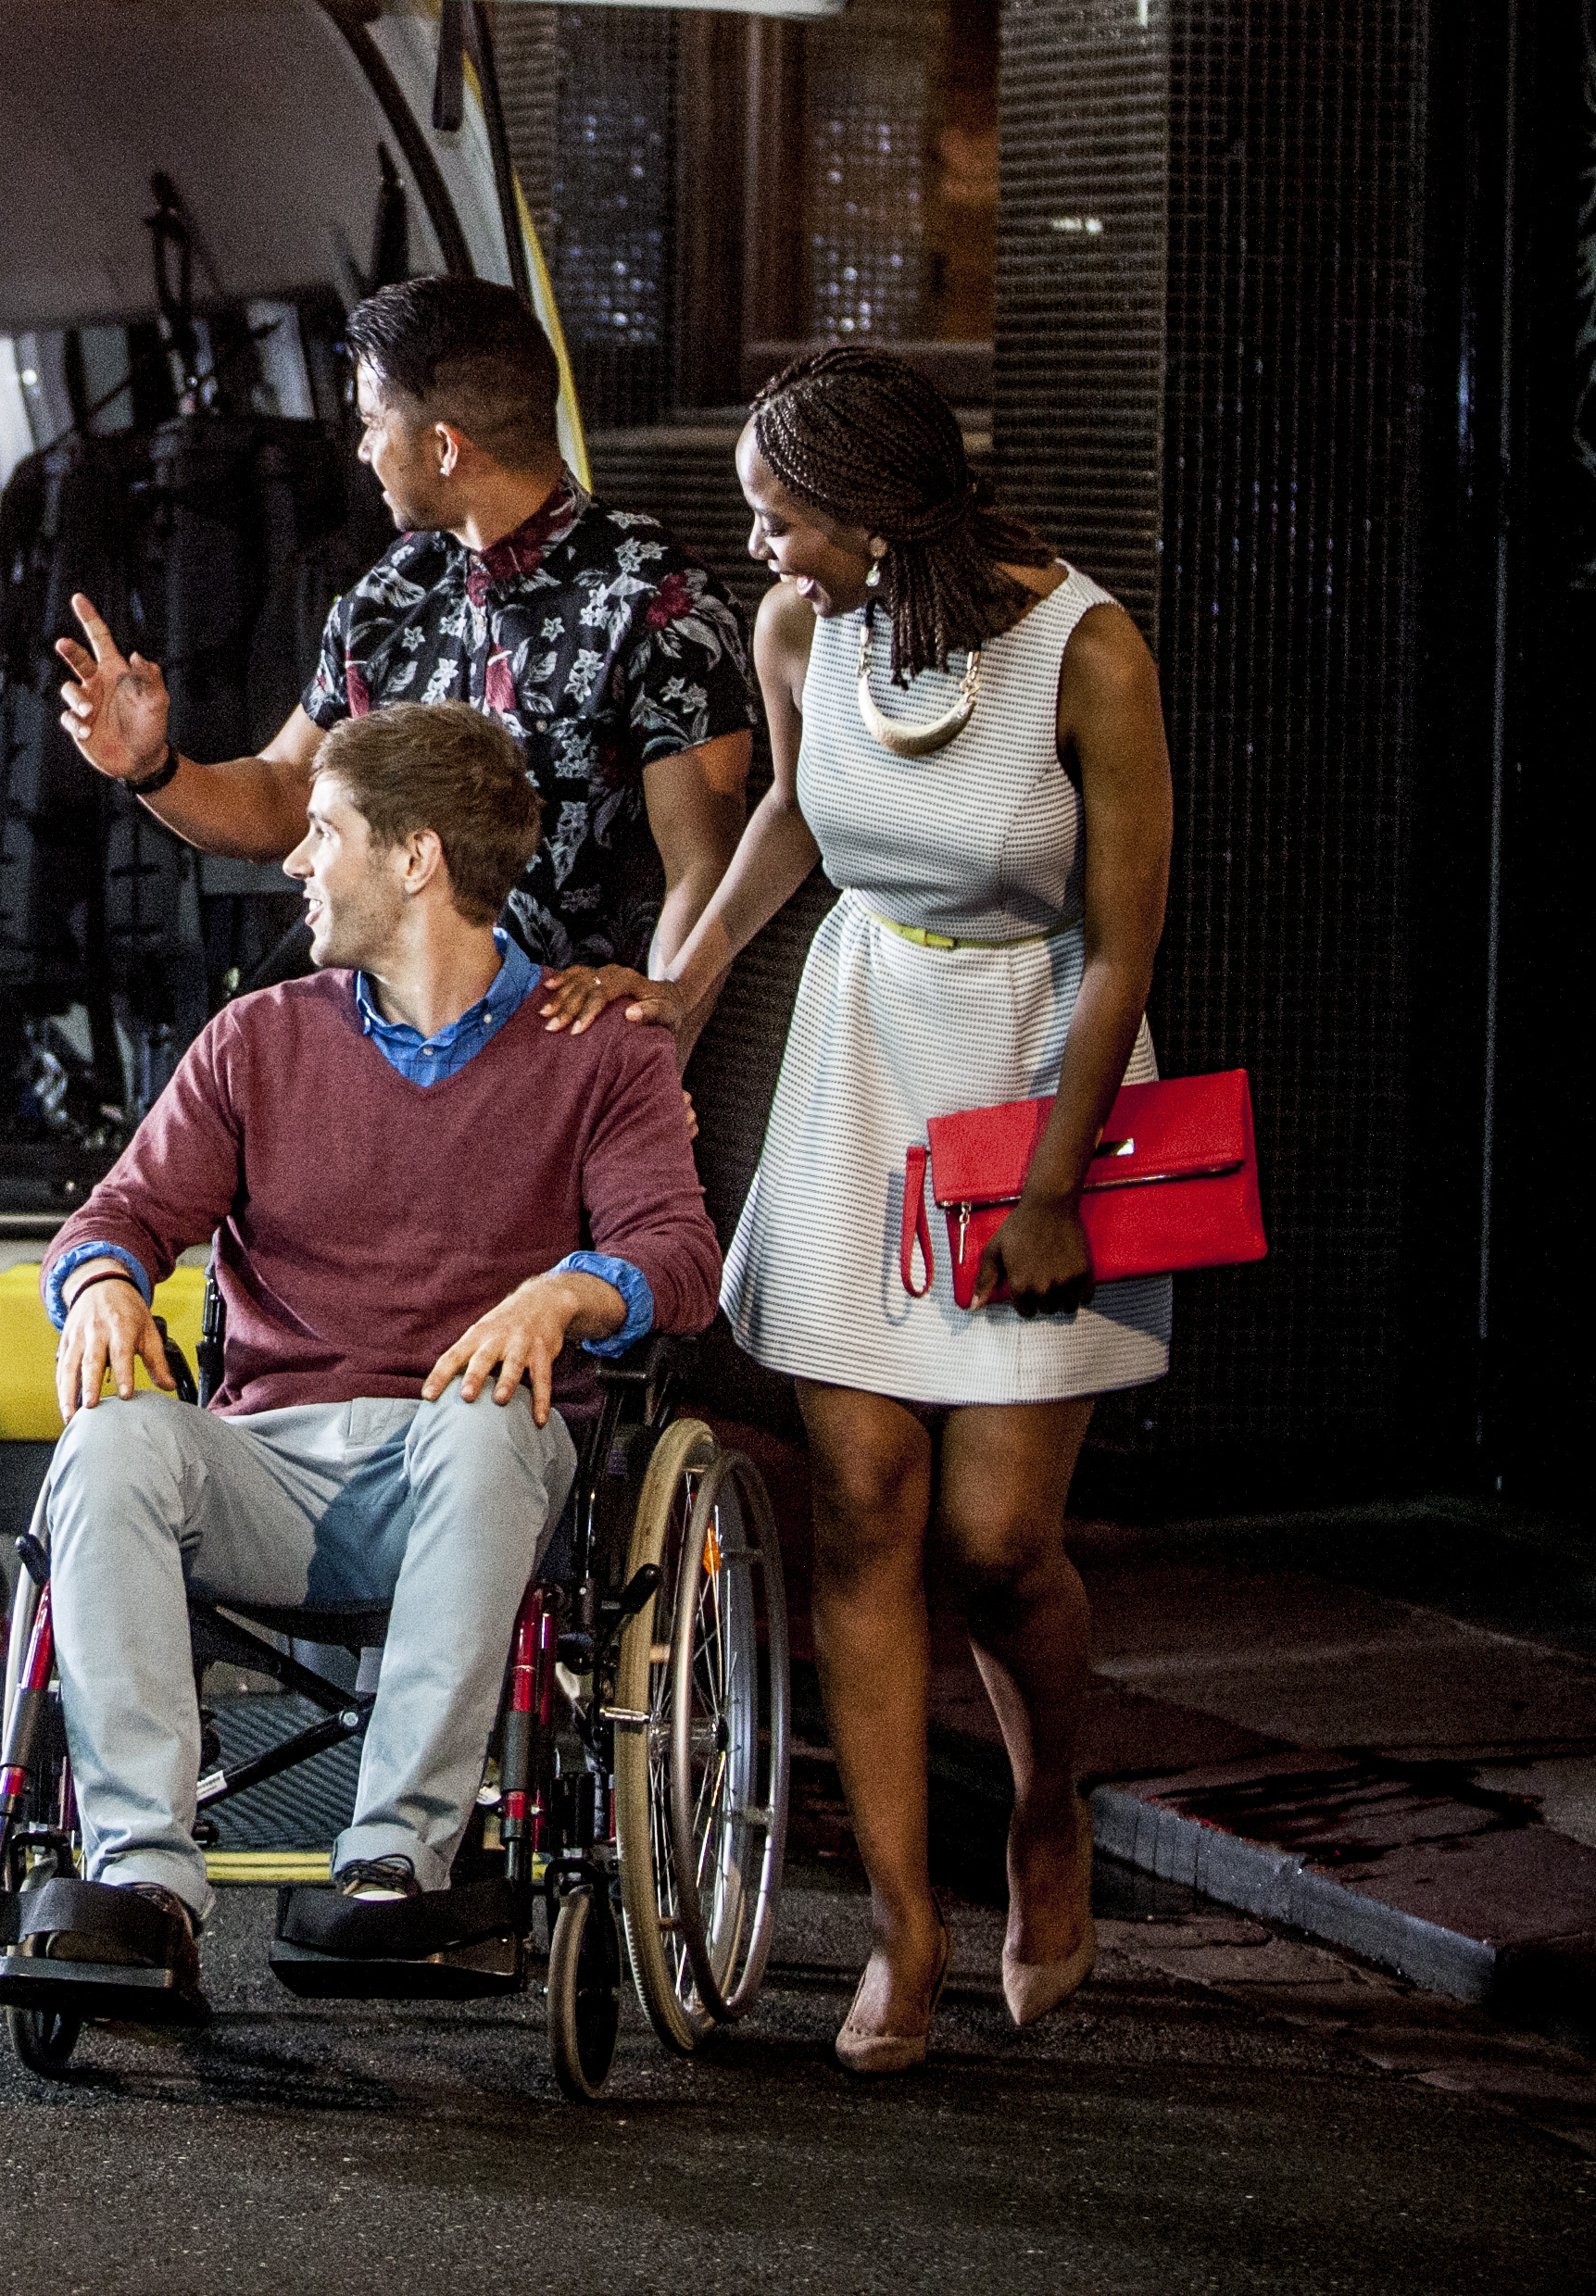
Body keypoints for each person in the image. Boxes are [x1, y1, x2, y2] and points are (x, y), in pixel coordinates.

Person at [557, 344, 1177, 2071]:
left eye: (778, 518)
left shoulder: (1089, 651)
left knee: (994, 1542)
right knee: (858, 1494)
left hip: (1032, 1064)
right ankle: (905, 1927)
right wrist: (681, 985)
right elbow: (785, 823)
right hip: (859, 1059)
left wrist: (1058, 1182)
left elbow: (1125, 940)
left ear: (872, 508)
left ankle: (1048, 1811)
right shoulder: (800, 635)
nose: (763, 550)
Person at [1, 704, 719, 2011]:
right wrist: (102, 1283)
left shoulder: (598, 1052)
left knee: (494, 1416)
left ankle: (395, 1865)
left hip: (474, 1470)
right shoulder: (257, 1040)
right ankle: (143, 1878)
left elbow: (679, 1257)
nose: (294, 862)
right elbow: (117, 1215)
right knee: (109, 1440)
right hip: (273, 1462)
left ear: (417, 858)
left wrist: (566, 1292)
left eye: (321, 832)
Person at [53, 272, 752, 1000]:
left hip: (564, 1044)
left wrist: (646, 1053)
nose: (361, 451)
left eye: (371, 423)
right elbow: (288, 792)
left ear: (445, 447)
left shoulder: (658, 601)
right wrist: (151, 766)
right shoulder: (391, 595)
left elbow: (702, 872)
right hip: (387, 1034)